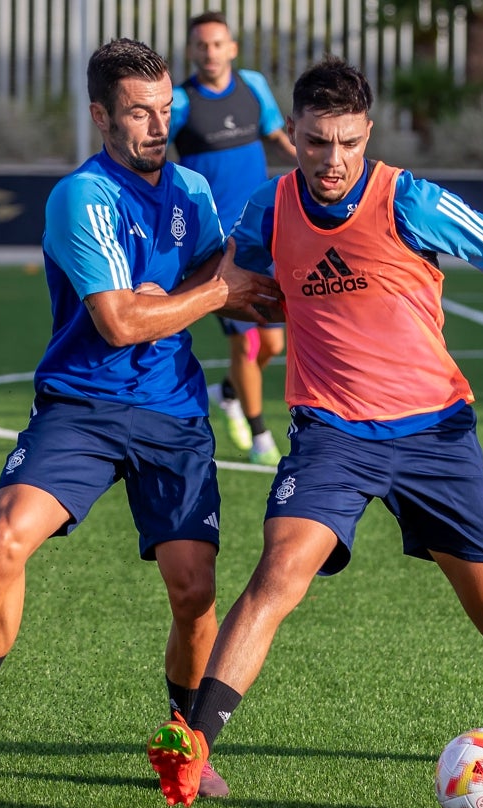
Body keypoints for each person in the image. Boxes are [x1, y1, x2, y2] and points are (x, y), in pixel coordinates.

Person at [147, 56, 483, 806]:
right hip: (331, 433)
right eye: (314, 143)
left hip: (435, 434)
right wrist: (221, 301)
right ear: (293, 137)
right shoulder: (269, 209)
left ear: (366, 133)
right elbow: (231, 292)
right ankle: (194, 738)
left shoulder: (413, 200)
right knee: (279, 574)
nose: (331, 160)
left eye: (345, 142)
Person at [0, 38, 276, 799]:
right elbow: (118, 321)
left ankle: (185, 741)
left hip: (172, 413)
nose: (156, 126)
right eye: (139, 112)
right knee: (8, 535)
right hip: (81, 405)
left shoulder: (193, 194)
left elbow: (228, 274)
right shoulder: (82, 196)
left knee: (192, 587)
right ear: (101, 113)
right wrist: (216, 294)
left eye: (165, 111)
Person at [169, 10, 297, 466]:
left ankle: (229, 391)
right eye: (201, 45)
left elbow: (275, 133)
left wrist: (307, 158)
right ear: (191, 51)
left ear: (232, 48)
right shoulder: (180, 102)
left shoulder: (253, 86)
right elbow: (153, 152)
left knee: (275, 342)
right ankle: (261, 435)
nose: (210, 52)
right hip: (217, 243)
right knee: (247, 341)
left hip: (262, 229)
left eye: (217, 43)